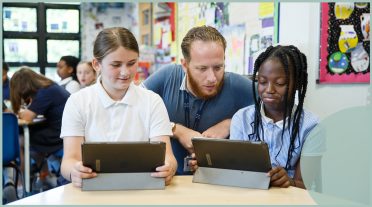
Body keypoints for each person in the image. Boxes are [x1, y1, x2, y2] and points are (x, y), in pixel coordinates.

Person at [60, 27, 177, 188]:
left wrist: (168, 168)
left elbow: (168, 157)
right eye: (116, 64)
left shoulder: (152, 101)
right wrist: (75, 171)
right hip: (94, 190)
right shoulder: (78, 102)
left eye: (132, 63)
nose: (125, 72)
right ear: (96, 64)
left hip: (143, 189)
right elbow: (68, 161)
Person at [143, 25, 254, 175]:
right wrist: (176, 129)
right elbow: (133, 110)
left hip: (218, 183)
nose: (212, 78)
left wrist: (232, 123)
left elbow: (277, 109)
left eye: (218, 67)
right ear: (184, 65)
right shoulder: (166, 78)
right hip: (168, 180)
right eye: (202, 69)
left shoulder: (237, 86)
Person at [228, 45, 319, 188]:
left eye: (279, 83)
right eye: (263, 82)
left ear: (296, 84)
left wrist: (290, 182)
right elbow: (235, 171)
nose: (269, 90)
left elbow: (305, 184)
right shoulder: (242, 119)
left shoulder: (311, 126)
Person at [10, 67, 70, 189]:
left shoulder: (45, 92)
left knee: (21, 140)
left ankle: (22, 183)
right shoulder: (50, 87)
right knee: (30, 135)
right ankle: (44, 174)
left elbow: (27, 117)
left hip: (60, 135)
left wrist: (20, 112)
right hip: (64, 130)